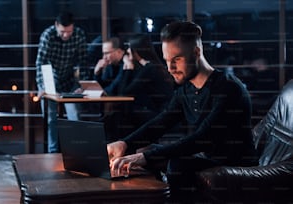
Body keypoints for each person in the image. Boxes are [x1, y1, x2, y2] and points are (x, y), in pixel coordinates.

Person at [107, 21, 257, 199]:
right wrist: (124, 143)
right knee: (144, 151)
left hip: (237, 166)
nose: (170, 68)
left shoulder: (228, 88)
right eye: (167, 61)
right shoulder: (186, 90)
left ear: (196, 52)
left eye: (176, 59)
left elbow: (202, 138)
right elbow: (161, 123)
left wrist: (147, 157)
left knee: (176, 164)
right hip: (208, 158)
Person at [36, 11, 89, 153]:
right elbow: (41, 62)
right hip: (49, 78)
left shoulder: (79, 35)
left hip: (70, 79)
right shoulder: (48, 35)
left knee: (75, 116)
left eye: (69, 31)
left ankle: (76, 152)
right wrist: (42, 85)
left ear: (73, 27)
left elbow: (83, 62)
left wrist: (81, 85)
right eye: (62, 32)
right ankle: (52, 153)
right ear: (56, 26)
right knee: (51, 119)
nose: (66, 35)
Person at [104, 34, 174, 141]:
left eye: (129, 48)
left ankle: (120, 146)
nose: (127, 51)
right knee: (119, 114)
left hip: (161, 113)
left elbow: (125, 93)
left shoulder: (149, 69)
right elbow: (123, 92)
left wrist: (127, 69)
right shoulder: (146, 67)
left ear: (136, 51)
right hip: (153, 110)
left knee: (121, 115)